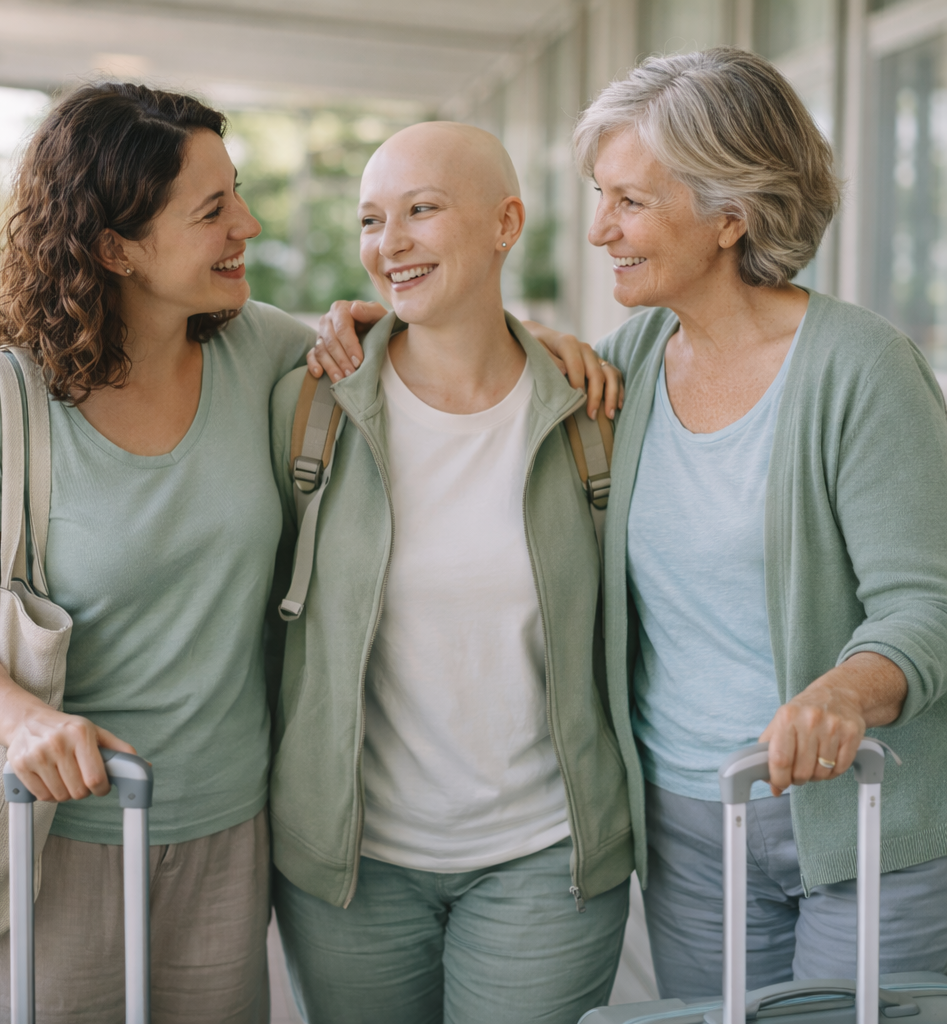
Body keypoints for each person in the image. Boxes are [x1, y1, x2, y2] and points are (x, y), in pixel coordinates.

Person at [314, 49, 947, 1000]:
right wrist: (381, 321)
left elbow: (925, 601)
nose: (601, 228)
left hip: (858, 819)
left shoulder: (861, 368)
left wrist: (844, 696)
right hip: (692, 827)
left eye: (631, 204)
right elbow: (492, 373)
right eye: (600, 196)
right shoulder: (629, 362)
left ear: (731, 216)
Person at [0, 82, 322, 1023]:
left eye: (241, 195)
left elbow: (415, 357)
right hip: (44, 835)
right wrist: (24, 720)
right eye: (213, 210)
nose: (250, 225)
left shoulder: (259, 351)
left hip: (227, 832)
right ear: (114, 249)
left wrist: (546, 349)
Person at [268, 121, 637, 1024]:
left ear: (505, 223)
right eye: (370, 219)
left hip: (548, 860)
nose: (387, 244)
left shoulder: (591, 412)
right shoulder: (308, 406)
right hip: (352, 869)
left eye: (420, 211)